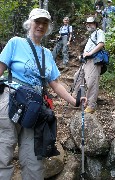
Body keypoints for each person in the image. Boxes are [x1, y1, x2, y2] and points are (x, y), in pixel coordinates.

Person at [0, 8, 86, 180]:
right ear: (29, 23)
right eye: (37, 21)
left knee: (33, 159)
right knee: (3, 152)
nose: (40, 25)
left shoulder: (47, 53)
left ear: (48, 27)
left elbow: (55, 83)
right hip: (11, 101)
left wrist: (74, 100)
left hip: (34, 109)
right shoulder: (15, 43)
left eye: (44, 23)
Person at [73, 16, 105, 113]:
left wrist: (90, 53)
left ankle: (91, 105)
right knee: (77, 77)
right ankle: (78, 99)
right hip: (86, 61)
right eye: (87, 23)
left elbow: (101, 44)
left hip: (94, 61)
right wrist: (83, 55)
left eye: (91, 23)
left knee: (92, 81)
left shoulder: (99, 32)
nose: (88, 25)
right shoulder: (92, 35)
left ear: (95, 24)